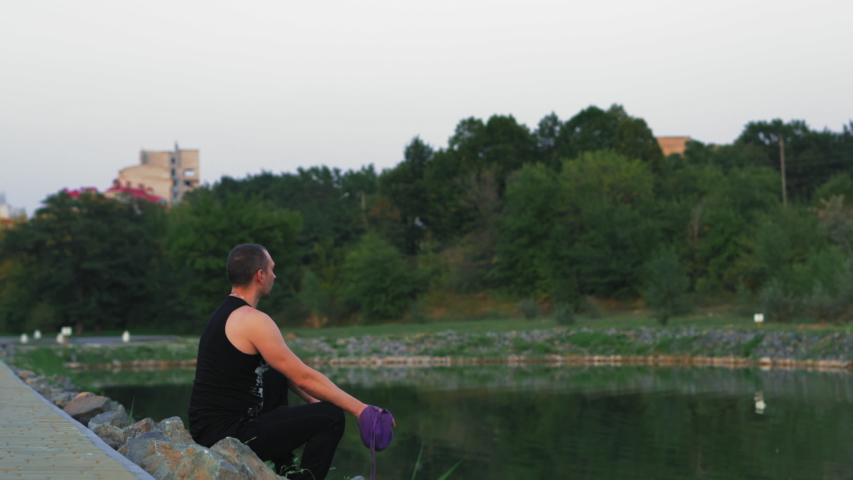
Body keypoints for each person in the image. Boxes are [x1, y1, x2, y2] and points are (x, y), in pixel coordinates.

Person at [189, 244, 388, 480]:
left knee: (274, 375)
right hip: (228, 436)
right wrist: (362, 410)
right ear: (260, 275)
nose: (275, 275)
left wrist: (316, 403)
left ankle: (285, 469)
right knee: (331, 418)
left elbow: (290, 374)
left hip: (211, 430)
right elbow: (303, 377)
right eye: (272, 269)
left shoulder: (226, 312)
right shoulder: (252, 320)